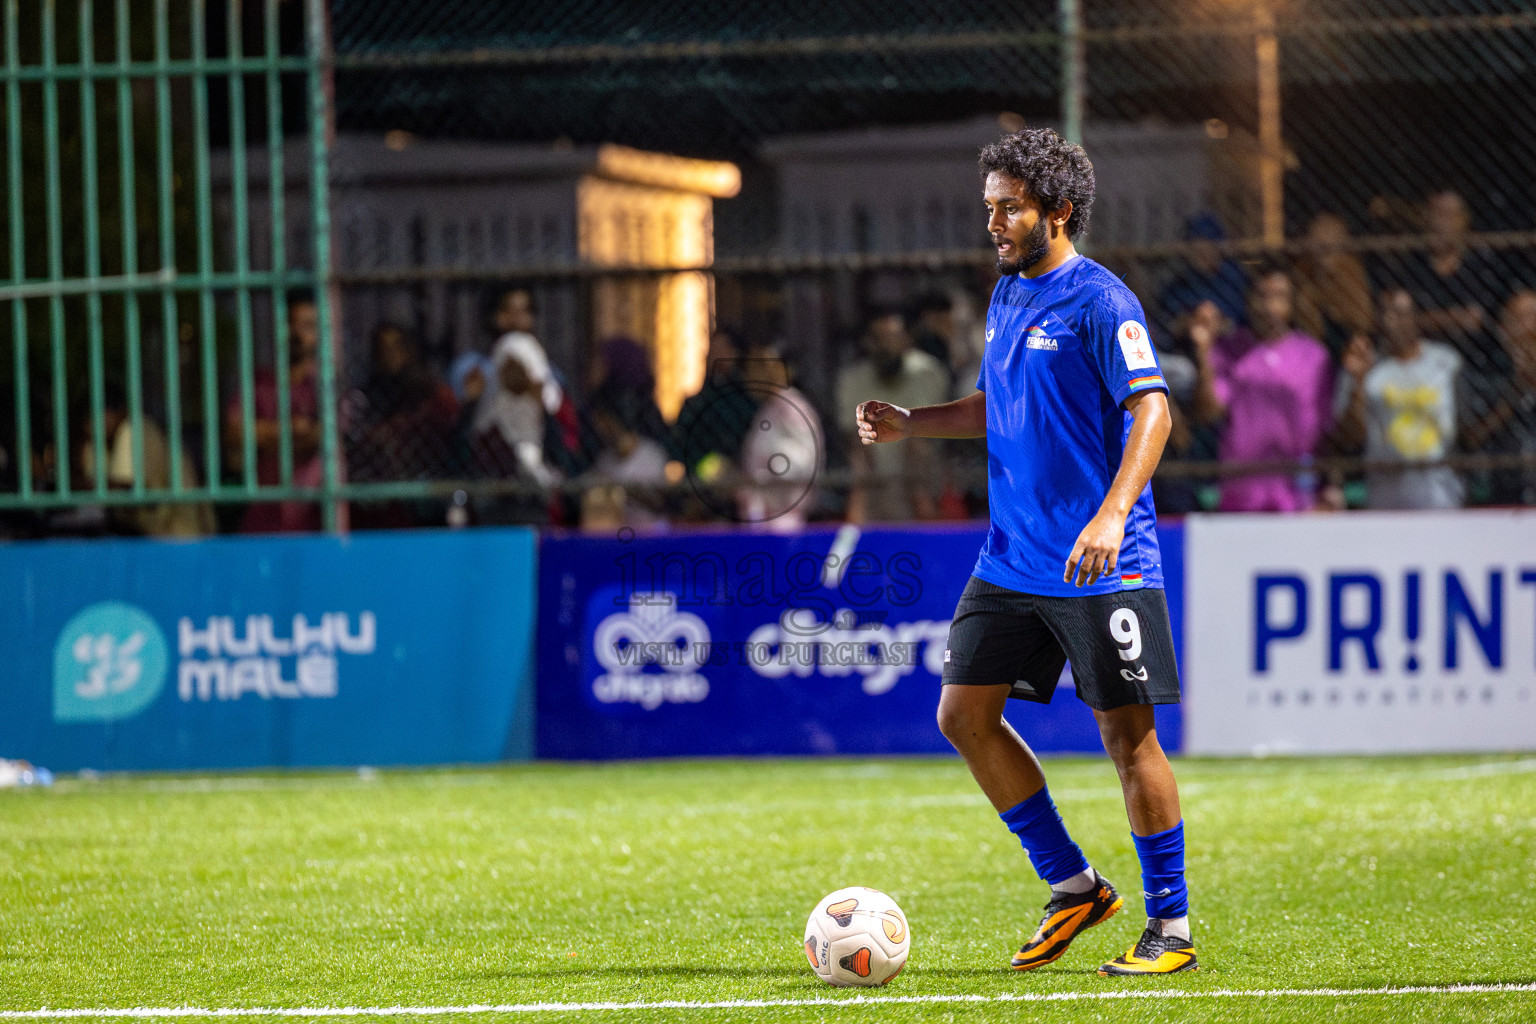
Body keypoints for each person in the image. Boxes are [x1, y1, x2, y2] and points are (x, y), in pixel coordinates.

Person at [855, 127, 1195, 976]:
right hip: (1011, 560)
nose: (996, 223)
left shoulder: (1102, 301)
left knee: (1128, 741)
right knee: (962, 715)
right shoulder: (1009, 295)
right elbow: (997, 405)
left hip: (1101, 561)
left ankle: (1172, 929)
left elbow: (1153, 411)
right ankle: (1074, 886)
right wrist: (914, 423)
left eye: (1010, 208)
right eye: (990, 209)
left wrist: (1112, 514)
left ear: (1059, 211)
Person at [1190, 265, 1333, 512]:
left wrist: (1329, 488)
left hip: (1298, 495)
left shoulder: (1314, 356)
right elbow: (1209, 410)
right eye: (1261, 296)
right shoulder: (1230, 349)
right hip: (1242, 493)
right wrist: (1203, 351)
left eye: (1278, 296)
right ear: (1248, 300)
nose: (1269, 307)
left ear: (1291, 303)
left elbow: (1327, 431)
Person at [1332, 289, 1464, 509]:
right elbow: (1349, 437)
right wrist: (1359, 381)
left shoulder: (1446, 362)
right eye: (1385, 313)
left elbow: (1466, 428)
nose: (1391, 321)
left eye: (1400, 313)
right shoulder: (1364, 365)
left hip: (1438, 489)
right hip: (1386, 492)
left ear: (1416, 318)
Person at [225, 291, 336, 533]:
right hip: (263, 519)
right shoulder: (258, 382)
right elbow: (234, 433)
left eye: (307, 326)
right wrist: (291, 430)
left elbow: (317, 438)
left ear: (320, 333)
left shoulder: (327, 383)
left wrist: (263, 435)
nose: (296, 333)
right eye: (289, 323)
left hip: (317, 521)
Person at [835, 310, 948, 522]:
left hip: (920, 484)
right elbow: (858, 447)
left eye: (893, 338)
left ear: (907, 339)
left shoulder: (928, 373)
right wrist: (861, 500)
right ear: (868, 343)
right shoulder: (852, 381)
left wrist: (919, 499)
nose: (886, 347)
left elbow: (918, 442)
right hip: (873, 485)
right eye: (879, 339)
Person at [1462, 290, 1536, 505]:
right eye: (1525, 317)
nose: (1531, 326)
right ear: (1504, 328)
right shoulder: (1484, 369)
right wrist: (1518, 388)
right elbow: (1471, 439)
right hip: (1500, 488)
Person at [1292, 212, 1374, 358]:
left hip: (1346, 343)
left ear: (1343, 241)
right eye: (1317, 237)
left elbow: (1362, 321)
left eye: (1331, 235)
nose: (1324, 243)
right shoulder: (1302, 270)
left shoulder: (1352, 270)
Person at [1156, 212, 1248, 339]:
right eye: (1195, 247)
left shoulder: (1235, 281)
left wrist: (1218, 325)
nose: (1202, 253)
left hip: (1229, 352)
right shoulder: (1178, 286)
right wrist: (1189, 323)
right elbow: (1166, 325)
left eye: (1209, 246)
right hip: (1186, 350)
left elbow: (1243, 323)